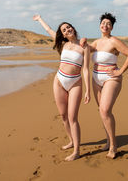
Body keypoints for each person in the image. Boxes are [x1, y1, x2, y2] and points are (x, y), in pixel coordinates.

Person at [32, 14, 90, 161]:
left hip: (75, 83)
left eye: (68, 27)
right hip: (59, 81)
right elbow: (49, 30)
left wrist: (88, 90)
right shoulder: (63, 44)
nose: (67, 30)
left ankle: (77, 151)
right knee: (63, 116)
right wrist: (40, 19)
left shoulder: (84, 46)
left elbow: (85, 69)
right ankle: (71, 141)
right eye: (64, 30)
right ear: (62, 34)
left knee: (72, 118)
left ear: (73, 28)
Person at [81, 12, 128, 159]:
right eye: (103, 23)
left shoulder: (114, 41)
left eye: (108, 24)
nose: (105, 25)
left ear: (112, 28)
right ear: (100, 25)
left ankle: (113, 145)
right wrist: (84, 42)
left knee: (105, 110)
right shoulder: (97, 42)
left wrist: (120, 71)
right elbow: (86, 49)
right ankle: (108, 140)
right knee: (101, 111)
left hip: (111, 78)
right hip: (95, 78)